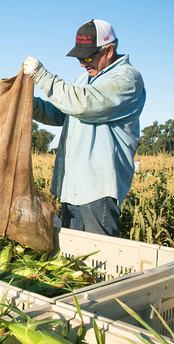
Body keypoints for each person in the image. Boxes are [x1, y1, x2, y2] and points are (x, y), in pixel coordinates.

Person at [22, 19, 146, 237]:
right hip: (72, 187)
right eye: (80, 57)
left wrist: (42, 76)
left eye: (88, 57)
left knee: (98, 257)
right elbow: (63, 112)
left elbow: (84, 103)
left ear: (109, 50)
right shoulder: (86, 78)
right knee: (73, 259)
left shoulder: (127, 78)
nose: (82, 63)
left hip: (97, 189)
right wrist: (28, 104)